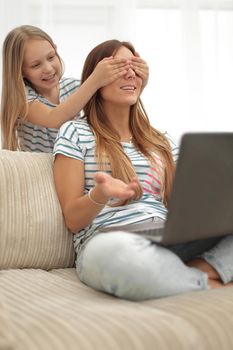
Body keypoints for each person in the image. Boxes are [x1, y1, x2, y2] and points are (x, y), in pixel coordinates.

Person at [53, 39, 233, 301]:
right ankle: (209, 281)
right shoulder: (75, 132)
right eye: (118, 67)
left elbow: (187, 203)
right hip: (111, 239)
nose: (129, 73)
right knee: (118, 258)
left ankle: (191, 273)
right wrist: (101, 194)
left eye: (134, 66)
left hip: (169, 236)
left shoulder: (161, 141)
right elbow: (72, 220)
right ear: (96, 78)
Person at [1, 25, 148, 152]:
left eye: (51, 57)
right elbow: (54, 118)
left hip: (71, 163)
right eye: (35, 65)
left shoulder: (74, 87)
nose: (48, 68)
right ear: (19, 70)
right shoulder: (22, 98)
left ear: (56, 50)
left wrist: (141, 82)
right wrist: (95, 79)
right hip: (41, 170)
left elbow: (114, 105)